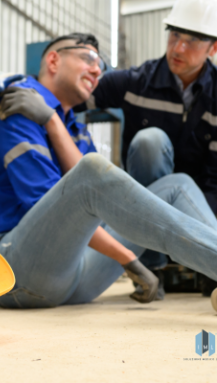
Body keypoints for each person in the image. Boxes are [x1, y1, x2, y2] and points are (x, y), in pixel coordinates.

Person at [0, 32, 217, 308]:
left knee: (176, 185)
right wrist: (128, 259)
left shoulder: (75, 129)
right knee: (93, 170)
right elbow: (49, 198)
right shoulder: (18, 104)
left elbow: (92, 197)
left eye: (101, 66)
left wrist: (53, 121)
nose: (97, 70)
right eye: (88, 59)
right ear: (52, 60)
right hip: (13, 270)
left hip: (72, 271)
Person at [73, 0, 217, 288]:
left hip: (197, 203)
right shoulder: (137, 82)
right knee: (150, 142)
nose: (178, 48)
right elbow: (72, 93)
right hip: (147, 200)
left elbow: (215, 181)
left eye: (191, 41)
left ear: (213, 48)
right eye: (174, 35)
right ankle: (152, 261)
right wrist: (25, 87)